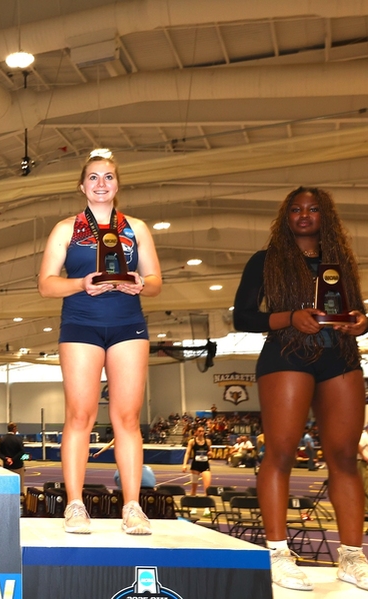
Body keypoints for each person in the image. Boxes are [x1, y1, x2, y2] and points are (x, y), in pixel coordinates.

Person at [233, 186, 368, 591]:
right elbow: (243, 318)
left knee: (345, 456)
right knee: (281, 452)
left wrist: (361, 322)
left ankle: (352, 556)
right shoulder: (265, 261)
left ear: (325, 216)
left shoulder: (340, 262)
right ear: (286, 217)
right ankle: (278, 554)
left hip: (339, 357)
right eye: (296, 209)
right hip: (287, 356)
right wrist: (290, 316)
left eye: (312, 209)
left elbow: (356, 309)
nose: (304, 215)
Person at [38, 148, 162, 536]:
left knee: (127, 418)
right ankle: (74, 504)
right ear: (82, 186)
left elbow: (156, 281)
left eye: (108, 177)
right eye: (93, 177)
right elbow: (45, 284)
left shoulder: (136, 228)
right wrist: (80, 283)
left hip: (128, 326)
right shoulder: (65, 229)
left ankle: (132, 506)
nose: (101, 184)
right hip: (81, 326)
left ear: (117, 185)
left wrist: (143, 283)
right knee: (80, 415)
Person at [181, 426, 212, 496]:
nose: (201, 433)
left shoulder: (208, 442)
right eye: (199, 431)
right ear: (196, 432)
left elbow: (210, 452)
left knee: (208, 489)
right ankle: (191, 503)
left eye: (202, 431)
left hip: (205, 465)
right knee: (193, 489)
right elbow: (187, 453)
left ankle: (207, 504)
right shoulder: (192, 442)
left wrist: (210, 454)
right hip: (195, 466)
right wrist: (184, 464)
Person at [0, 423, 26, 494]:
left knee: (7, 486)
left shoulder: (2, 439)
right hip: (18, 466)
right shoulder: (18, 439)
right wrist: (13, 459)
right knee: (19, 486)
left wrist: (6, 459)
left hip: (7, 467)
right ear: (14, 429)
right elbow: (22, 452)